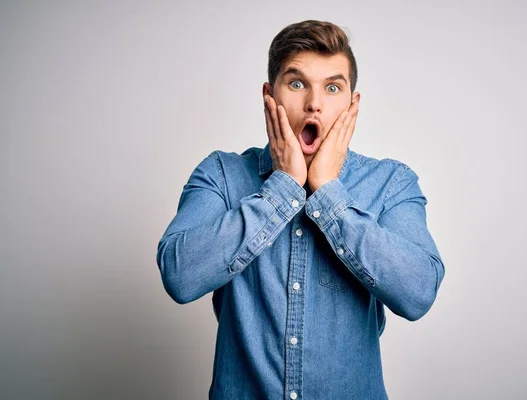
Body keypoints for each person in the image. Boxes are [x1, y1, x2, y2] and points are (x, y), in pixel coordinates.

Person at [156, 19, 445, 400]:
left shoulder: (392, 183)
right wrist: (283, 188)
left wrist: (326, 192)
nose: (314, 103)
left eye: (332, 87)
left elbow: (419, 292)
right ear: (268, 96)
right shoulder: (221, 175)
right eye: (296, 83)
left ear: (352, 103)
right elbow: (180, 275)